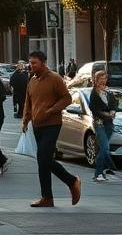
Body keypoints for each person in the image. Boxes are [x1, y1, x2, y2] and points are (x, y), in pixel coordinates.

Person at [22, 50, 81, 208]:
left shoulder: (55, 78)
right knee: (43, 161)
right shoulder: (32, 80)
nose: (31, 66)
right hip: (37, 125)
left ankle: (71, 181)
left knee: (43, 158)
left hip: (52, 124)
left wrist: (51, 110)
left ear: (43, 62)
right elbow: (28, 102)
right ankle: (48, 197)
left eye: (34, 63)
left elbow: (67, 98)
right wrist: (25, 120)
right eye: (30, 63)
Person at [88, 70, 118, 182]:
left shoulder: (109, 91)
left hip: (109, 123)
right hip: (99, 122)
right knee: (105, 147)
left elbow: (114, 104)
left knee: (103, 147)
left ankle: (108, 166)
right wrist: (106, 114)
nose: (103, 81)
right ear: (96, 80)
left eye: (105, 78)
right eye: (101, 78)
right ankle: (98, 173)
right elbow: (93, 109)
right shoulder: (94, 92)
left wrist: (113, 111)